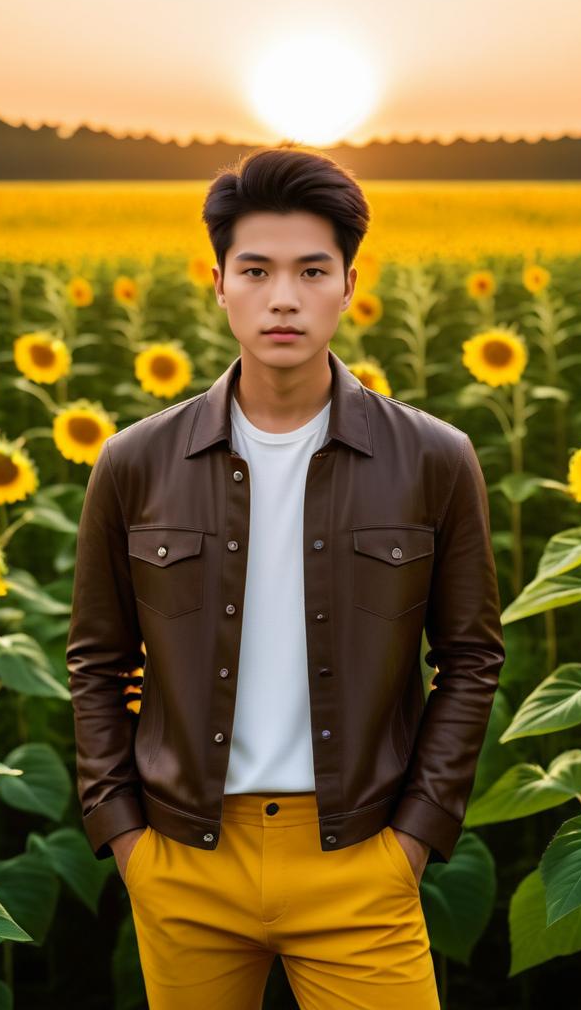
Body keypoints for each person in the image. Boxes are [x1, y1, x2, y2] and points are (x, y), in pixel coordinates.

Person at [66, 144, 505, 1009]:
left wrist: (413, 840)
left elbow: (471, 658)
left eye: (312, 270)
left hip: (359, 860)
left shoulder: (433, 459)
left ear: (348, 283)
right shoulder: (134, 463)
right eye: (257, 270)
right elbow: (96, 663)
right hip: (185, 859)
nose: (283, 298)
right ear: (219, 282)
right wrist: (126, 841)